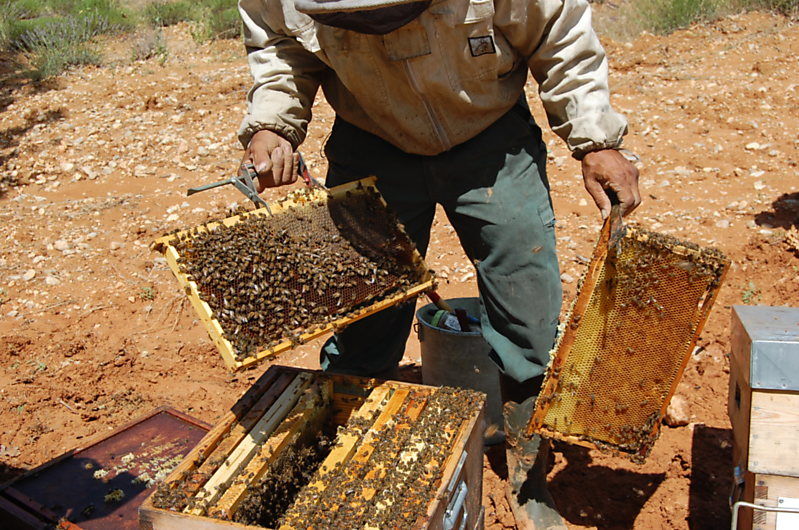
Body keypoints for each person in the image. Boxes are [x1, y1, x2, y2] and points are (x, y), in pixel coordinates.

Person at [236, 0, 640, 527]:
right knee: (363, 320)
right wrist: (274, 124)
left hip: (490, 138)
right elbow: (279, 46)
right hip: (370, 139)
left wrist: (596, 138)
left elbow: (559, 36)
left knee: (527, 313)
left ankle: (527, 478)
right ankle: (347, 457)